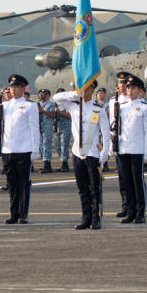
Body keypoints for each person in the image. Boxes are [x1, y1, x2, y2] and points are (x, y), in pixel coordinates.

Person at [54, 81, 111, 229]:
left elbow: (105, 134)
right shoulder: (74, 105)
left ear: (93, 89)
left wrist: (105, 154)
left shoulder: (98, 109)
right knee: (82, 188)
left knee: (95, 188)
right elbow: (57, 98)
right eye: (82, 88)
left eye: (87, 88)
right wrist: (75, 94)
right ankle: (86, 218)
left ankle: (96, 218)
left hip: (92, 153)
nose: (84, 90)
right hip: (77, 152)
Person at [0, 75, 40, 224]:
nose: (13, 90)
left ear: (23, 88)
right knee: (12, 184)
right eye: (11, 87)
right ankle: (13, 213)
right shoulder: (4, 106)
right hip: (8, 149)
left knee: (24, 183)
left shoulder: (30, 106)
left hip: (24, 149)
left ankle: (23, 213)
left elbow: (35, 129)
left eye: (16, 87)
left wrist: (35, 149)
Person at [113, 75, 147, 223]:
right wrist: (115, 146)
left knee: (137, 181)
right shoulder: (121, 107)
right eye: (128, 88)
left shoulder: (145, 107)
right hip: (124, 148)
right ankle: (130, 211)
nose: (130, 91)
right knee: (127, 181)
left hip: (137, 149)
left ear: (139, 90)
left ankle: (140, 212)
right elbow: (117, 129)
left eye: (133, 88)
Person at [109, 72, 131, 215]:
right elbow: (112, 122)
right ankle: (125, 206)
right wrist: (111, 142)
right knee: (122, 178)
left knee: (132, 179)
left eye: (124, 83)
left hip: (130, 143)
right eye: (120, 83)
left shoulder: (133, 101)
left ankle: (133, 207)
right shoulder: (113, 101)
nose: (122, 86)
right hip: (118, 142)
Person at [53, 87, 72, 172]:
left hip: (65, 127)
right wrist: (54, 125)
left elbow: (69, 115)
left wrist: (59, 112)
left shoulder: (68, 104)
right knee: (57, 146)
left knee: (64, 146)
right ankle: (62, 161)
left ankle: (65, 163)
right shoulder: (55, 104)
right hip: (57, 127)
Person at [37, 89, 56, 172]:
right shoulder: (38, 104)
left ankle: (48, 165)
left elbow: (52, 115)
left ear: (46, 95)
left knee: (46, 146)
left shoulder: (50, 104)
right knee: (41, 146)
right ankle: (45, 163)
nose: (41, 95)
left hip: (47, 127)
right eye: (40, 93)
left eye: (43, 93)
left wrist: (43, 111)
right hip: (40, 128)